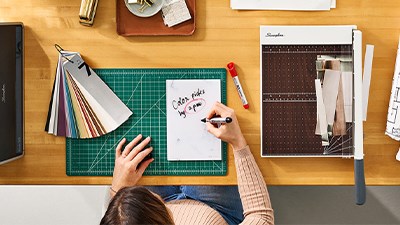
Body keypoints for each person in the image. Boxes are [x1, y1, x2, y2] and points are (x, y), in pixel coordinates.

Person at [101, 102, 274, 225]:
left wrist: (119, 189)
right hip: (218, 210)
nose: (153, 194)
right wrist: (238, 142)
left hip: (154, 213)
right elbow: (261, 217)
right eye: (153, 199)